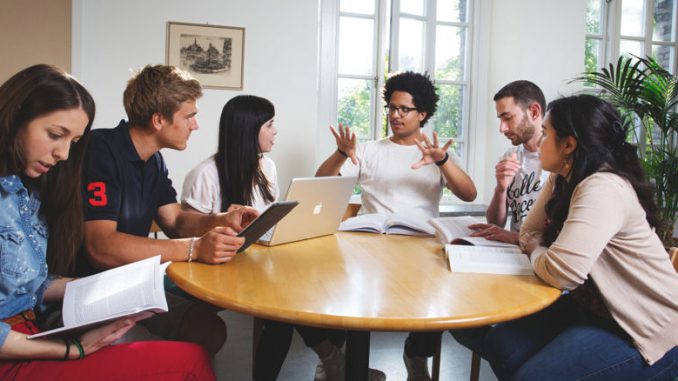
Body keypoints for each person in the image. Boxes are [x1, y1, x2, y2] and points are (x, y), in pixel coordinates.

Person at [0, 64, 215, 380]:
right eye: (55, 135)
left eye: (73, 142)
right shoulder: (102, 151)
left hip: (32, 327)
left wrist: (103, 288)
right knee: (190, 359)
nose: (63, 154)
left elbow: (28, 285)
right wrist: (73, 349)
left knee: (203, 332)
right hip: (20, 346)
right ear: (16, 118)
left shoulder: (24, 192)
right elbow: (102, 246)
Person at [460, 94, 678, 380]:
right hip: (595, 310)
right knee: (501, 346)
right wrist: (536, 246)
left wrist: (536, 249)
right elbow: (528, 231)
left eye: (547, 133)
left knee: (531, 376)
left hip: (643, 328)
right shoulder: (562, 177)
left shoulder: (603, 187)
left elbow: (562, 272)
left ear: (569, 145)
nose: (539, 142)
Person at [181, 95, 385, 381]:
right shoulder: (204, 174)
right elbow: (188, 230)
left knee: (320, 287)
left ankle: (333, 360)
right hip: (221, 267)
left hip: (261, 262)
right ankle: (334, 361)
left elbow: (268, 221)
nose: (275, 131)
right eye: (270, 125)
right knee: (281, 316)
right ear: (248, 130)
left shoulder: (267, 168)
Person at [79, 65, 258, 355]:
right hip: (89, 289)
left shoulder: (154, 161)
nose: (195, 126)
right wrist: (195, 249)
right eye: (189, 116)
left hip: (130, 284)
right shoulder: (101, 150)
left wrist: (221, 219)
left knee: (210, 331)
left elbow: (174, 220)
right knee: (195, 342)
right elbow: (101, 247)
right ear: (159, 120)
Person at [316, 71, 477, 381]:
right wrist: (340, 153)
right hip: (369, 245)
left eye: (404, 109)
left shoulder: (437, 152)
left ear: (423, 114)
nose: (395, 115)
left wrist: (443, 162)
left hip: (421, 248)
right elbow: (322, 181)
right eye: (391, 107)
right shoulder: (369, 149)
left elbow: (469, 194)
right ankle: (343, 361)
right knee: (340, 287)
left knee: (441, 295)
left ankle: (416, 356)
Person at [468, 80, 548, 245]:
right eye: (500, 120)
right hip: (516, 253)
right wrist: (501, 189)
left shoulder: (561, 161)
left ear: (534, 112)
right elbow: (496, 224)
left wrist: (516, 238)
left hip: (543, 256)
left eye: (508, 118)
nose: (502, 128)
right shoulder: (510, 156)